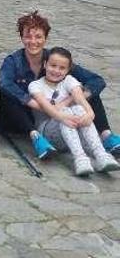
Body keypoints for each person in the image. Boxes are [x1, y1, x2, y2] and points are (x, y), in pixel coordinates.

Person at [0, 11, 120, 158]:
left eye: (38, 37)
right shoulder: (13, 61)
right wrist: (38, 105)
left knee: (88, 91)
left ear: (45, 38)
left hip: (56, 111)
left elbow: (97, 80)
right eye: (28, 36)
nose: (33, 41)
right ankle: (35, 137)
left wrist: (70, 99)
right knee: (8, 94)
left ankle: (106, 135)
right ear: (22, 38)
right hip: (25, 116)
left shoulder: (55, 60)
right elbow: (4, 83)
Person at [27, 47, 120, 175]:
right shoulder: (35, 85)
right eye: (53, 66)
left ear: (68, 70)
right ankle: (80, 158)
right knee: (68, 110)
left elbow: (80, 98)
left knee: (79, 108)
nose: (56, 71)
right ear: (45, 65)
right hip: (49, 133)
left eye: (62, 68)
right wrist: (62, 116)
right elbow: (47, 108)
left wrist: (90, 114)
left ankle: (101, 155)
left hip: (72, 128)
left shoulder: (69, 81)